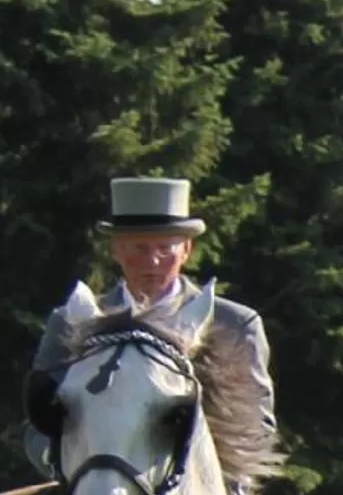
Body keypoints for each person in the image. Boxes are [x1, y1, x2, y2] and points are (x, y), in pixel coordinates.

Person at [24, 177, 276, 472]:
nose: (153, 261)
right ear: (116, 250)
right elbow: (37, 428)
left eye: (165, 248)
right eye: (139, 248)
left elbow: (257, 426)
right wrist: (71, 464)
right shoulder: (74, 321)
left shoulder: (234, 324)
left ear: (186, 250)